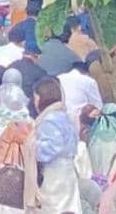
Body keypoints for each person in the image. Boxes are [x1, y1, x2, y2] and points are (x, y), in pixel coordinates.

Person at [32, 76, 81, 214]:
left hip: (55, 175)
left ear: (44, 98)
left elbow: (50, 148)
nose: (34, 102)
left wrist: (31, 146)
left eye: (36, 98)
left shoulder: (49, 119)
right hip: (68, 172)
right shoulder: (63, 115)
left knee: (54, 208)